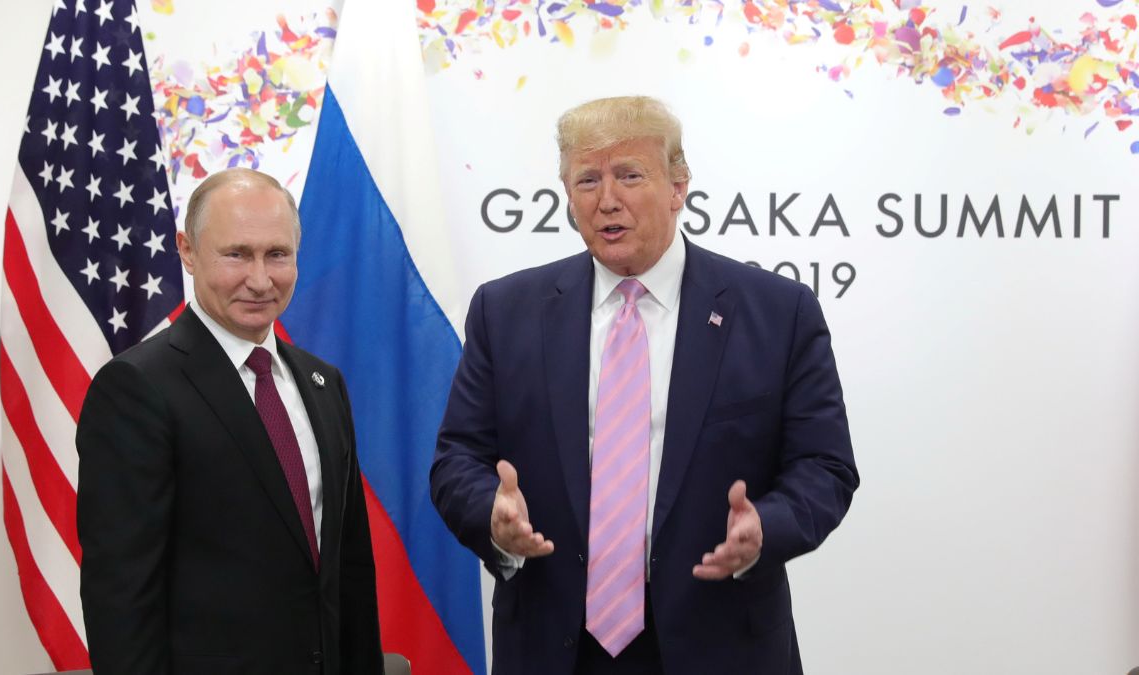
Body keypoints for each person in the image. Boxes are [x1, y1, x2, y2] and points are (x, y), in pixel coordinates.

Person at [431, 96, 858, 674]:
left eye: (629, 174)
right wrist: (493, 517)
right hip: (555, 645)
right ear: (568, 196)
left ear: (679, 185)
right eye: (588, 179)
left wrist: (768, 525)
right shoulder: (505, 313)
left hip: (722, 642)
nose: (608, 199)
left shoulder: (778, 313)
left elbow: (824, 466)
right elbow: (458, 459)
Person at [76, 168, 382, 674]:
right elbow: (121, 598)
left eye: (277, 255)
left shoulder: (324, 383)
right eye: (237, 254)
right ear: (188, 251)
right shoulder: (135, 388)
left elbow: (350, 573)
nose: (260, 279)